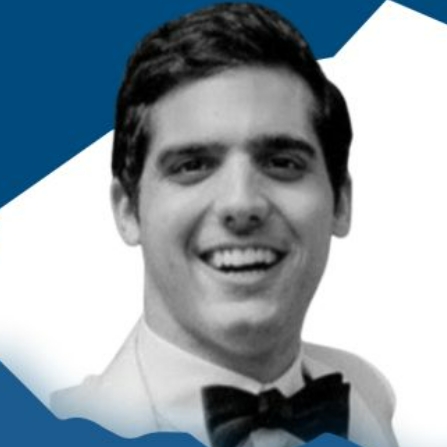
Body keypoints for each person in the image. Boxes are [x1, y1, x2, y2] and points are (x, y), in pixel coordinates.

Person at [51, 3, 398, 447]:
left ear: (341, 203)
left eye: (282, 162)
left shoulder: (369, 396)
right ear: (127, 210)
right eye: (193, 165)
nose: (241, 204)